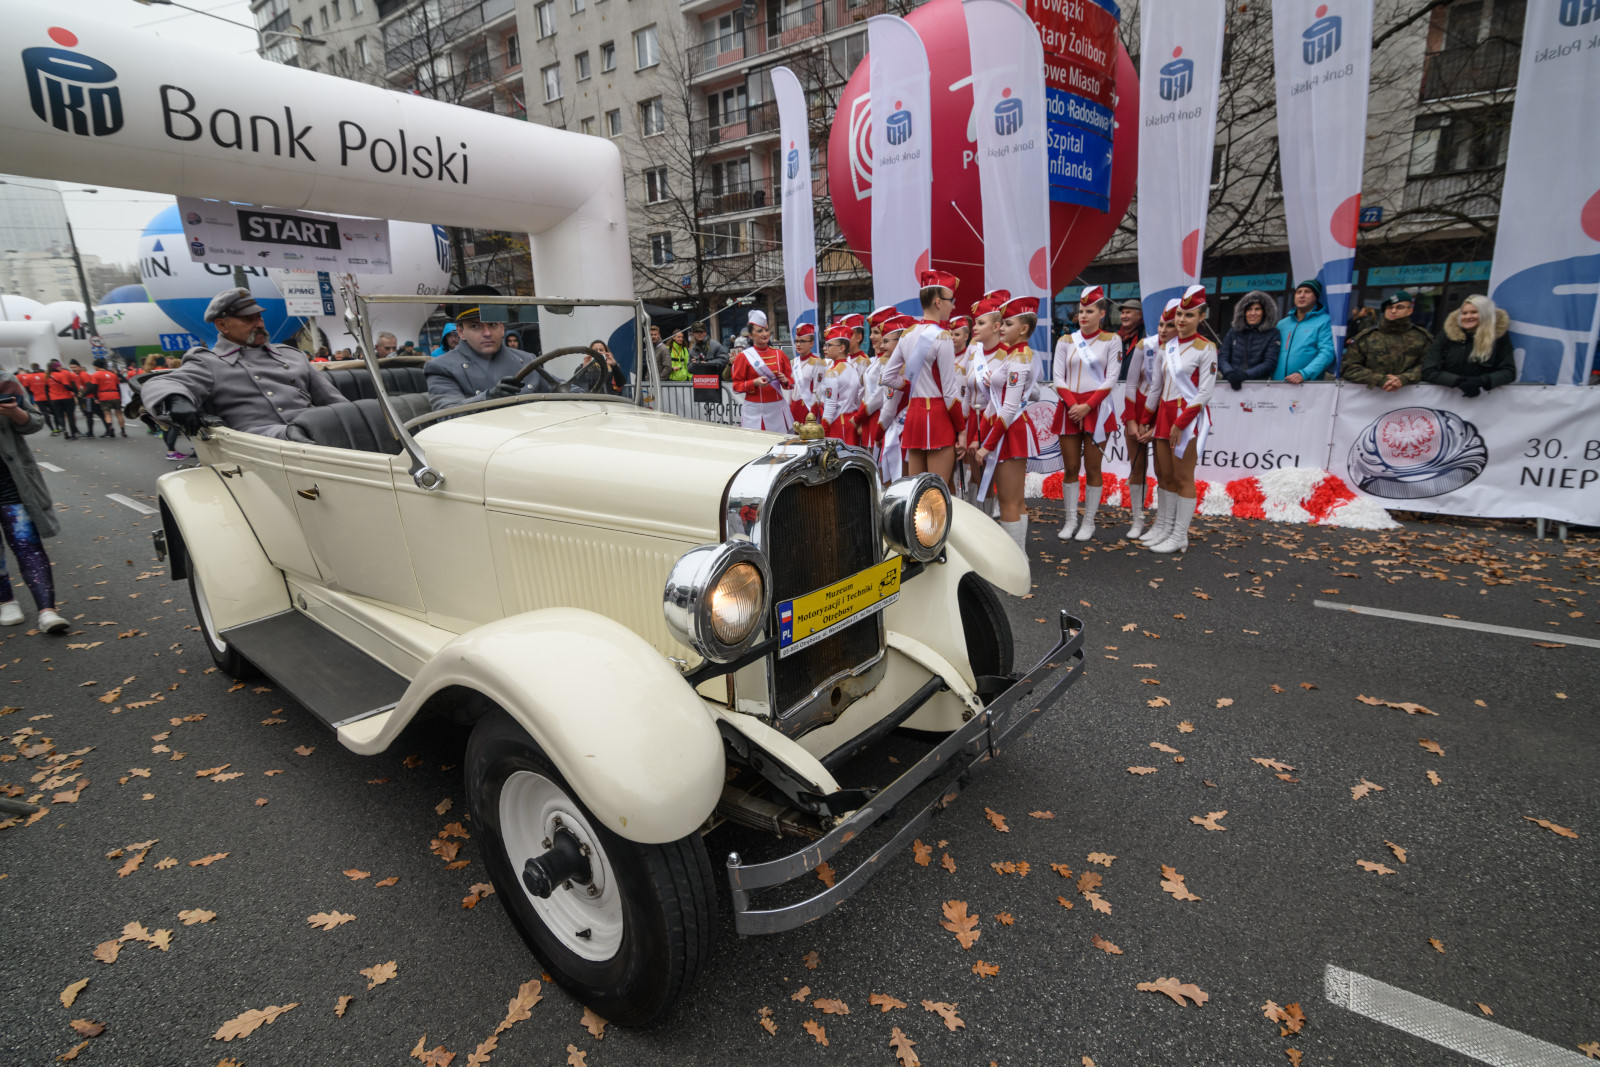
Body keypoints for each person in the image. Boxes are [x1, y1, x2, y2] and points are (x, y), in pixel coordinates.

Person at [141, 287, 352, 440]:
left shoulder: (291, 356)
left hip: (315, 434)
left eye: (259, 318)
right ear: (222, 324)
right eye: (248, 320)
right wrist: (177, 400)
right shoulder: (208, 362)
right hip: (261, 447)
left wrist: (357, 422)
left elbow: (335, 402)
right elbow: (160, 384)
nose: (259, 324)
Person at [1141, 285, 1217, 554]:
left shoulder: (1206, 348)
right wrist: (1145, 419)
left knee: (1183, 477)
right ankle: (1164, 526)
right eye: (1180, 315)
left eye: (1190, 315)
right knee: (1164, 475)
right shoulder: (1167, 347)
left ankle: (1179, 535)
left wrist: (1180, 423)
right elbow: (1155, 387)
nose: (1182, 320)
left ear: (1201, 317)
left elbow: (1205, 392)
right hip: (1164, 415)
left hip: (1188, 418)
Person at [0, 368, 68, 633]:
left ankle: (47, 611)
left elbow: (35, 421)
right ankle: (6, 601)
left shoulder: (4, 378)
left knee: (27, 545)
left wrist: (16, 413)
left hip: (12, 481)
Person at [1052, 285, 1122, 541]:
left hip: (1097, 408)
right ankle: (1070, 519)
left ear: (1101, 313)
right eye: (1081, 310)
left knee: (1093, 467)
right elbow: (1058, 377)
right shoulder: (1065, 341)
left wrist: (1088, 406)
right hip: (1069, 408)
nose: (1084, 315)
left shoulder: (1112, 340)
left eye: (1090, 311)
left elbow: (1112, 378)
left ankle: (1089, 522)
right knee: (1070, 466)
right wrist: (1073, 405)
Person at [975, 295, 1044, 551]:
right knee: (1014, 499)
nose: (1002, 328)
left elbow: (1010, 408)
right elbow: (1033, 393)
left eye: (1008, 323)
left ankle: (1015, 561)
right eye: (1001, 323)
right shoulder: (1017, 355)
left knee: (1009, 501)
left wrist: (986, 445)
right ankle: (1020, 557)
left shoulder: (1019, 358)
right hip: (1007, 429)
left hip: (1009, 431)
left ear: (1024, 329)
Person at [885, 270, 965, 486]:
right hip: (938, 418)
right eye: (951, 301)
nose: (953, 306)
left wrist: (909, 385)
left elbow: (888, 376)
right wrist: (962, 430)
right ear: (938, 302)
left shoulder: (908, 334)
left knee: (918, 496)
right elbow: (949, 393)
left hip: (914, 417)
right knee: (937, 495)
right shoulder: (942, 337)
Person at [424, 285, 556, 410]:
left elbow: (559, 388)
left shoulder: (526, 359)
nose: (487, 333)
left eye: (492, 324)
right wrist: (489, 398)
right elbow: (446, 413)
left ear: (502, 328)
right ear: (461, 332)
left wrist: (575, 386)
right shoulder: (442, 367)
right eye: (475, 326)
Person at [1121, 299, 1179, 540]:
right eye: (1161, 324)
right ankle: (1137, 520)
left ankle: (1164, 524)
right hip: (1138, 411)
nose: (1163, 330)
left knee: (1164, 471)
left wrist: (1155, 425)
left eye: (1170, 325)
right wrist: (1134, 421)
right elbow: (1131, 383)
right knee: (1137, 468)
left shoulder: (1183, 350)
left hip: (1165, 414)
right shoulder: (1146, 345)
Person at [1421, 294, 1516, 396]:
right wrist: (1458, 381)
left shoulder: (1498, 338)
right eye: (1464, 313)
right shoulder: (1446, 336)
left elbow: (1508, 372)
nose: (1468, 317)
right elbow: (1428, 370)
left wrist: (1481, 381)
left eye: (1474, 312)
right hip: (1445, 398)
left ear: (1485, 314)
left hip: (1485, 401)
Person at [1341, 291, 1431, 392]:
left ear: (1410, 311)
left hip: (1409, 397)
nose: (1393, 311)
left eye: (1399, 307)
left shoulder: (1422, 337)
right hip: (1369, 396)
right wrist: (1379, 379)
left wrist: (1404, 378)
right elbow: (1348, 367)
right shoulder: (1366, 336)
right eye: (1389, 307)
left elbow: (1428, 366)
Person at [730, 311, 794, 431]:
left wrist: (785, 381)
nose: (765, 334)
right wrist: (754, 383)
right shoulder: (743, 357)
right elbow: (736, 386)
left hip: (777, 410)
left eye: (766, 330)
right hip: (754, 412)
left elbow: (791, 381)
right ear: (750, 335)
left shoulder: (779, 354)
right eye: (759, 331)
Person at [1274, 280, 1335, 383]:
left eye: (1307, 292)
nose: (1301, 295)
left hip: (1306, 385)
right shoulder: (1282, 324)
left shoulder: (1325, 321)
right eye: (1299, 292)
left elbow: (1327, 353)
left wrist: (1304, 374)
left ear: (1316, 297)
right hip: (1277, 384)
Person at [1218, 291, 1281, 390]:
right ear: (1243, 312)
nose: (1252, 313)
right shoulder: (1233, 332)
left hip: (1258, 388)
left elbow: (1270, 362)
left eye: (1257, 309)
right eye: (1249, 309)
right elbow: (1222, 357)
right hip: (1229, 385)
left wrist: (1245, 375)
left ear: (1265, 312)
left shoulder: (1273, 333)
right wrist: (1229, 373)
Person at [818, 324, 862, 444]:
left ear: (842, 348)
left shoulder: (833, 372)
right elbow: (858, 398)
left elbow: (830, 406)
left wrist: (823, 430)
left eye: (829, 345)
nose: (824, 348)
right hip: (850, 422)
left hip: (837, 424)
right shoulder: (852, 367)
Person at [787, 323, 819, 423]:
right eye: (796, 341)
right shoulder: (793, 362)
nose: (798, 344)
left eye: (802, 341)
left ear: (811, 343)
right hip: (793, 409)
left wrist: (812, 416)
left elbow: (818, 393)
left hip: (808, 409)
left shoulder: (818, 363)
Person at [88, 357, 127, 437]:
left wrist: (96, 398)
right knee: (119, 413)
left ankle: (110, 428)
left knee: (107, 414)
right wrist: (120, 397)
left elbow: (94, 388)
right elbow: (118, 386)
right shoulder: (113, 374)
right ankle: (123, 431)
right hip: (115, 394)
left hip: (103, 395)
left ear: (96, 366)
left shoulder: (95, 375)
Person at [45, 359, 81, 440]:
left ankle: (64, 430)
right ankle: (73, 433)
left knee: (60, 416)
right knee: (70, 416)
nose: (61, 367)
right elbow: (67, 386)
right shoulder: (61, 375)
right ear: (57, 367)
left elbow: (46, 390)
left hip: (54, 399)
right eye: (59, 366)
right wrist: (75, 391)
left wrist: (49, 400)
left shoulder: (47, 376)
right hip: (66, 397)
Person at [18, 364, 53, 435]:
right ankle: (60, 426)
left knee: (44, 413)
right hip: (50, 396)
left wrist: (33, 392)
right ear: (39, 367)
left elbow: (26, 388)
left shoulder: (27, 377)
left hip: (38, 397)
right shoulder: (44, 375)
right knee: (55, 412)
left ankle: (52, 429)